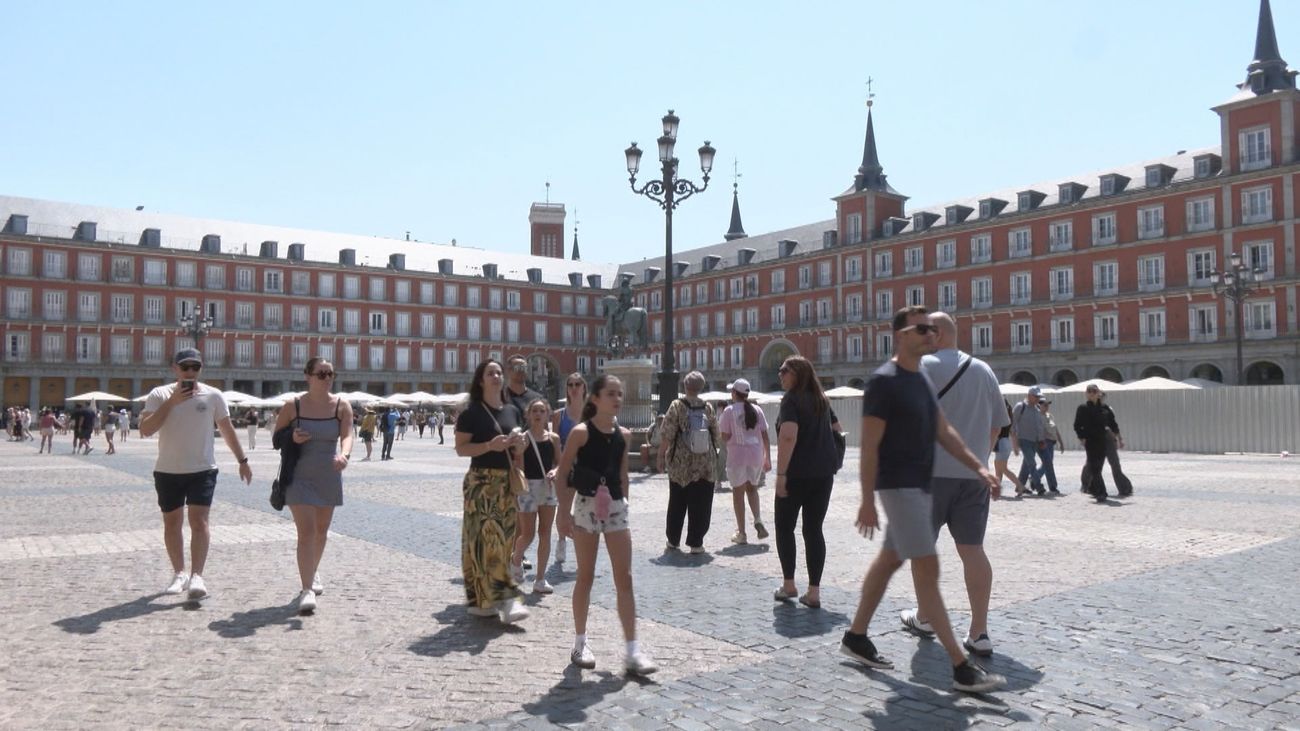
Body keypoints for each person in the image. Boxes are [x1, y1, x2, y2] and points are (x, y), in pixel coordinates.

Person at [840, 306, 1005, 693]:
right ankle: (961, 665)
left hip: (924, 483)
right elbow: (870, 446)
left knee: (888, 562)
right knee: (929, 569)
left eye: (932, 330)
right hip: (903, 485)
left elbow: (944, 430)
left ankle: (856, 635)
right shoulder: (886, 381)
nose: (929, 336)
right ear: (901, 335)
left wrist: (979, 467)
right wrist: (866, 498)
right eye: (921, 330)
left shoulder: (921, 379)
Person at [898, 311, 1010, 658]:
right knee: (972, 550)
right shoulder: (984, 370)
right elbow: (997, 427)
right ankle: (979, 631)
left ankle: (926, 616)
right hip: (972, 477)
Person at [555, 374, 657, 675]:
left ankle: (631, 650)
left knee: (624, 578)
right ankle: (580, 642)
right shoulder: (580, 433)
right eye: (611, 393)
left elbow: (623, 474)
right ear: (595, 399)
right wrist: (563, 513)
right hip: (586, 506)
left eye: (620, 394)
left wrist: (623, 503)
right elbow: (562, 474)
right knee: (585, 576)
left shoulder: (623, 435)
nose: (617, 399)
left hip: (614, 507)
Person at [139, 348, 253, 599]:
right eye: (185, 367)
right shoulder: (159, 394)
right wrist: (172, 403)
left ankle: (197, 575)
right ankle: (179, 573)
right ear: (175, 369)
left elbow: (226, 428)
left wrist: (242, 460)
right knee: (172, 523)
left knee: (199, 522)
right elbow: (146, 429)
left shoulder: (213, 396)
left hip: (203, 468)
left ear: (201, 369)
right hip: (168, 469)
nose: (190, 371)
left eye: (195, 367)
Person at [273, 357, 353, 615]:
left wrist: (345, 455)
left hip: (328, 474)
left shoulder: (342, 405)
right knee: (306, 532)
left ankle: (313, 570)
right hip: (298, 476)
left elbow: (348, 435)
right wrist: (292, 437)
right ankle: (306, 589)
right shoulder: (292, 406)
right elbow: (276, 438)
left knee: (321, 530)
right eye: (321, 374)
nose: (327, 378)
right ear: (307, 376)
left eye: (330, 373)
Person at [454, 359, 529, 624]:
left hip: (505, 482)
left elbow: (517, 451)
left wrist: (519, 445)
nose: (496, 376)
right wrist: (489, 445)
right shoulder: (471, 413)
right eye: (490, 373)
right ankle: (506, 599)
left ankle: (483, 602)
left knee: (505, 539)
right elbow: (462, 449)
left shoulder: (513, 411)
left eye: (499, 372)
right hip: (481, 483)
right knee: (484, 540)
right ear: (481, 380)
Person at [772, 356, 840, 609]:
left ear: (797, 374)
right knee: (813, 530)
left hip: (796, 474)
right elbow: (838, 430)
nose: (780, 375)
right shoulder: (822, 400)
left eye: (784, 370)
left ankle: (789, 584)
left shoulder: (791, 399)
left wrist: (781, 475)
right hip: (823, 475)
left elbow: (788, 436)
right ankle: (814, 592)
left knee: (784, 527)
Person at [658, 370, 719, 554]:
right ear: (701, 387)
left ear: (685, 386)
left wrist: (661, 456)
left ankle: (673, 540)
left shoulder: (677, 406)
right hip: (704, 464)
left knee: (677, 501)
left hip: (681, 464)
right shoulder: (708, 407)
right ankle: (696, 542)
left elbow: (667, 434)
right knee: (701, 503)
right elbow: (716, 434)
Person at [512, 398, 560, 594]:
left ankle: (540, 579)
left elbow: (560, 462)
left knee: (545, 533)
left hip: (548, 487)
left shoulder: (554, 438)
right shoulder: (523, 438)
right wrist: (520, 452)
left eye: (542, 410)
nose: (539, 414)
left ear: (547, 414)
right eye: (535, 411)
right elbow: (519, 468)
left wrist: (555, 471)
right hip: (527, 488)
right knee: (528, 533)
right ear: (529, 415)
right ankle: (516, 559)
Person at [719, 378, 771, 545]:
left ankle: (741, 532)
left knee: (738, 494)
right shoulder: (757, 409)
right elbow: (765, 435)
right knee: (752, 489)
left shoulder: (728, 411)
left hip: (737, 456)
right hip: (755, 454)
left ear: (734, 393)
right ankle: (757, 518)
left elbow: (725, 436)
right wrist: (767, 457)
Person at [551, 373, 588, 565]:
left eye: (577, 384)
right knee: (563, 508)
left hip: (586, 468)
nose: (574, 387)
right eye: (570, 384)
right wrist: (556, 468)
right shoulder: (559, 415)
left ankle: (583, 542)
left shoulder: (592, 414)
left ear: (584, 388)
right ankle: (562, 540)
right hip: (566, 467)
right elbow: (555, 444)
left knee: (585, 509)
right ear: (567, 388)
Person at [1074, 384, 1111, 503]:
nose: (1091, 393)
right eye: (1089, 391)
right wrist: (1082, 437)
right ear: (1086, 393)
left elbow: (1112, 423)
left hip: (1102, 441)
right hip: (1090, 441)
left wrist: (1117, 436)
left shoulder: (1104, 408)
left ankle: (1093, 488)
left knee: (1098, 467)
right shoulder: (1082, 408)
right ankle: (1102, 492)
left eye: (1094, 391)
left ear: (1098, 393)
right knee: (1094, 467)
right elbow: (1077, 425)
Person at [1010, 387, 1049, 495]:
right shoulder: (1020, 407)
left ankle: (1020, 486)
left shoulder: (1037, 409)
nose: (1038, 398)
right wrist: (1014, 443)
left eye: (1039, 396)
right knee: (1032, 463)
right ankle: (1039, 486)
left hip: (1035, 441)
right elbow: (1012, 424)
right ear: (1029, 395)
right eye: (1036, 396)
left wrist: (1041, 440)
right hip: (1024, 440)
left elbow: (1039, 426)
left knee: (1027, 464)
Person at [1099, 394, 1134, 497]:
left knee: (1115, 464)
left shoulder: (1107, 409)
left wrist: (1120, 439)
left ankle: (1125, 488)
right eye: (1098, 396)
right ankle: (1091, 487)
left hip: (1109, 439)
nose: (1100, 398)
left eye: (1101, 396)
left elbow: (1114, 425)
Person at [993, 400, 1025, 497]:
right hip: (1006, 442)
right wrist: (1015, 447)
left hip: (1001, 443)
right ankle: (997, 488)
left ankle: (1020, 485)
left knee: (1002, 469)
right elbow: (1012, 433)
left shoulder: (1000, 419)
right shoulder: (1008, 418)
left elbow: (997, 432)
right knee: (998, 468)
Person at [1035, 399, 1063, 495]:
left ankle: (1035, 478)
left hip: (1051, 442)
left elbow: (1056, 429)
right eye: (1045, 405)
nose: (1047, 407)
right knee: (1048, 464)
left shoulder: (1049, 416)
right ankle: (1052, 486)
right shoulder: (1037, 416)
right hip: (1044, 442)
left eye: (1048, 405)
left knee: (1047, 464)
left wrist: (1061, 442)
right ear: (1039, 405)